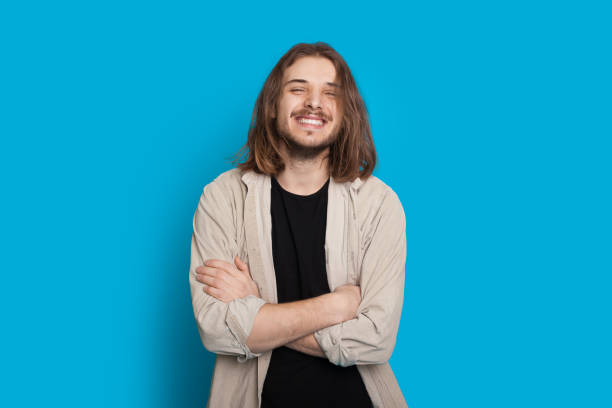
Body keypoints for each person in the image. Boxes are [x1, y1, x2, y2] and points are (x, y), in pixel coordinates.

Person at [189, 42, 408, 408]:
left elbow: (376, 338)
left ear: (346, 112)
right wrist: (335, 307)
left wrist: (253, 307)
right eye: (298, 88)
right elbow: (216, 329)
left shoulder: (378, 204)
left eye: (329, 92)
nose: (313, 102)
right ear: (273, 106)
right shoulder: (222, 198)